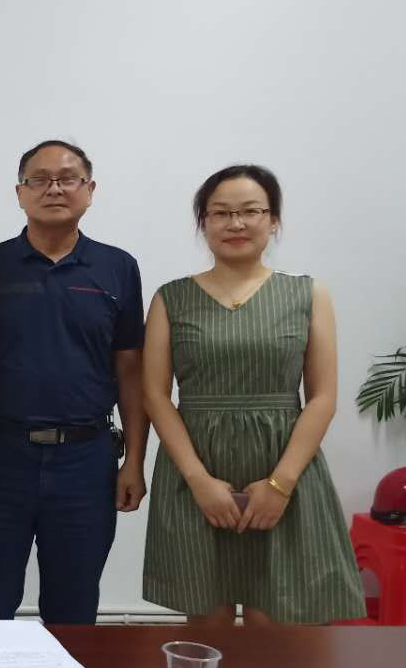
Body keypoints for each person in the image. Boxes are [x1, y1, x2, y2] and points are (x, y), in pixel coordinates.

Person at [141, 165, 365, 625]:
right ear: (204, 222)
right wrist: (199, 481)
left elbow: (322, 397)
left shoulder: (307, 294)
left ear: (273, 220)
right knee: (208, 629)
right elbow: (156, 396)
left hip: (284, 469)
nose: (236, 223)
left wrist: (280, 485)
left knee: (277, 629)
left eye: (250, 211)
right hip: (196, 472)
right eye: (221, 213)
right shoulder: (170, 298)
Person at [0, 139, 148, 625]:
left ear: (90, 190)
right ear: (19, 193)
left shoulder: (118, 268)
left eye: (67, 179)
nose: (54, 189)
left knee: (74, 609)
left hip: (86, 461)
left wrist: (135, 461)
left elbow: (130, 370)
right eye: (39, 180)